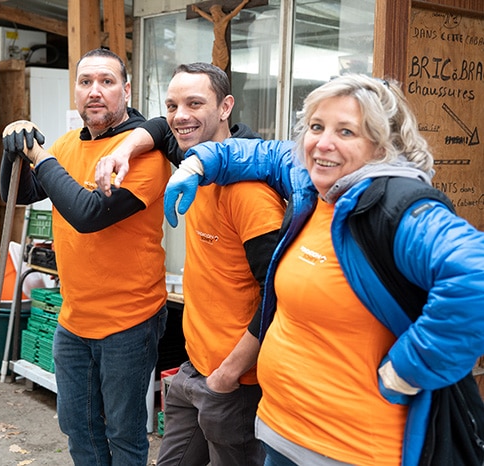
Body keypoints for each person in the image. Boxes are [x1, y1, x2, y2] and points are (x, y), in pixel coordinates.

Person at [163, 74, 484, 465]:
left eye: (346, 131)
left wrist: (409, 368)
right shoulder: (313, 183)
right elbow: (262, 153)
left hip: (347, 449)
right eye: (316, 127)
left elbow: (476, 277)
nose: (323, 143)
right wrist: (198, 164)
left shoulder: (397, 206)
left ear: (383, 144)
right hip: (282, 432)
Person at [97, 62, 284, 465]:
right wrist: (123, 149)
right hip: (192, 370)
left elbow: (280, 299)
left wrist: (225, 377)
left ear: (225, 107)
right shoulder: (191, 164)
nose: (181, 116)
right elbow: (161, 129)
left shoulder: (248, 192)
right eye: (172, 104)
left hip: (235, 385)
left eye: (195, 103)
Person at [0, 48, 171, 466]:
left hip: (129, 321)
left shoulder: (143, 155)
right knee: (79, 429)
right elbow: (17, 196)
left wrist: (39, 157)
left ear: (126, 91)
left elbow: (89, 214)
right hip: (74, 320)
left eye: (107, 82)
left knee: (125, 435)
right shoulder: (65, 145)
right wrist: (12, 151)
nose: (95, 91)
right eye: (85, 82)